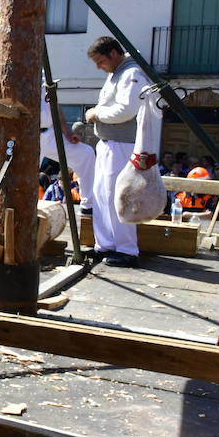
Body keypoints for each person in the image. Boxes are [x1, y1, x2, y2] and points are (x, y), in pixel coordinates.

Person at [84, 36, 152, 267]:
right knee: (101, 195)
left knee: (119, 195)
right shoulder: (117, 74)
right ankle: (104, 245)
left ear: (114, 53)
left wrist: (97, 113)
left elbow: (126, 110)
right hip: (109, 142)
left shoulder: (132, 74)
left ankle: (126, 249)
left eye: (100, 61)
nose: (98, 67)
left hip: (123, 144)